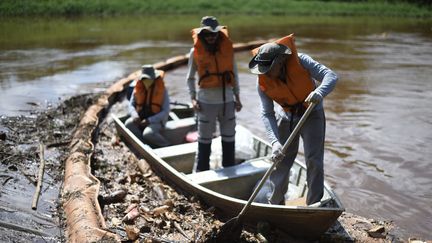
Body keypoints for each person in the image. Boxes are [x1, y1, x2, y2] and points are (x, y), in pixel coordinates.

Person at [248, 34, 338, 205]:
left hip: (312, 113)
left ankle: (313, 204)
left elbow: (331, 76)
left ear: (280, 61)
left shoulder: (301, 60)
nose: (265, 73)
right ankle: (275, 203)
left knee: (314, 161)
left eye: (268, 68)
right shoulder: (263, 84)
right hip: (287, 116)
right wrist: (274, 142)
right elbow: (267, 113)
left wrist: (320, 92)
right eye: (262, 69)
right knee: (280, 160)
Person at [186, 16, 243, 172]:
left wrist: (237, 97)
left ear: (218, 34)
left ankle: (229, 171)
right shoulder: (194, 52)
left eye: (214, 34)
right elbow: (190, 78)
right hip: (206, 102)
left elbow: (235, 76)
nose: (211, 37)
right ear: (202, 35)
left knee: (229, 137)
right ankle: (201, 173)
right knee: (204, 140)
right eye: (208, 34)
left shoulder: (227, 50)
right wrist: (193, 98)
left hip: (227, 101)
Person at [125, 64, 170, 147]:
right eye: (144, 79)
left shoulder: (162, 89)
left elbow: (166, 111)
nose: (146, 81)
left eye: (148, 79)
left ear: (154, 78)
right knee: (128, 124)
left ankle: (166, 145)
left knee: (148, 133)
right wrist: (135, 115)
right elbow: (131, 105)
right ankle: (143, 145)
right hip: (141, 118)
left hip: (157, 121)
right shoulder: (138, 87)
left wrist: (149, 120)